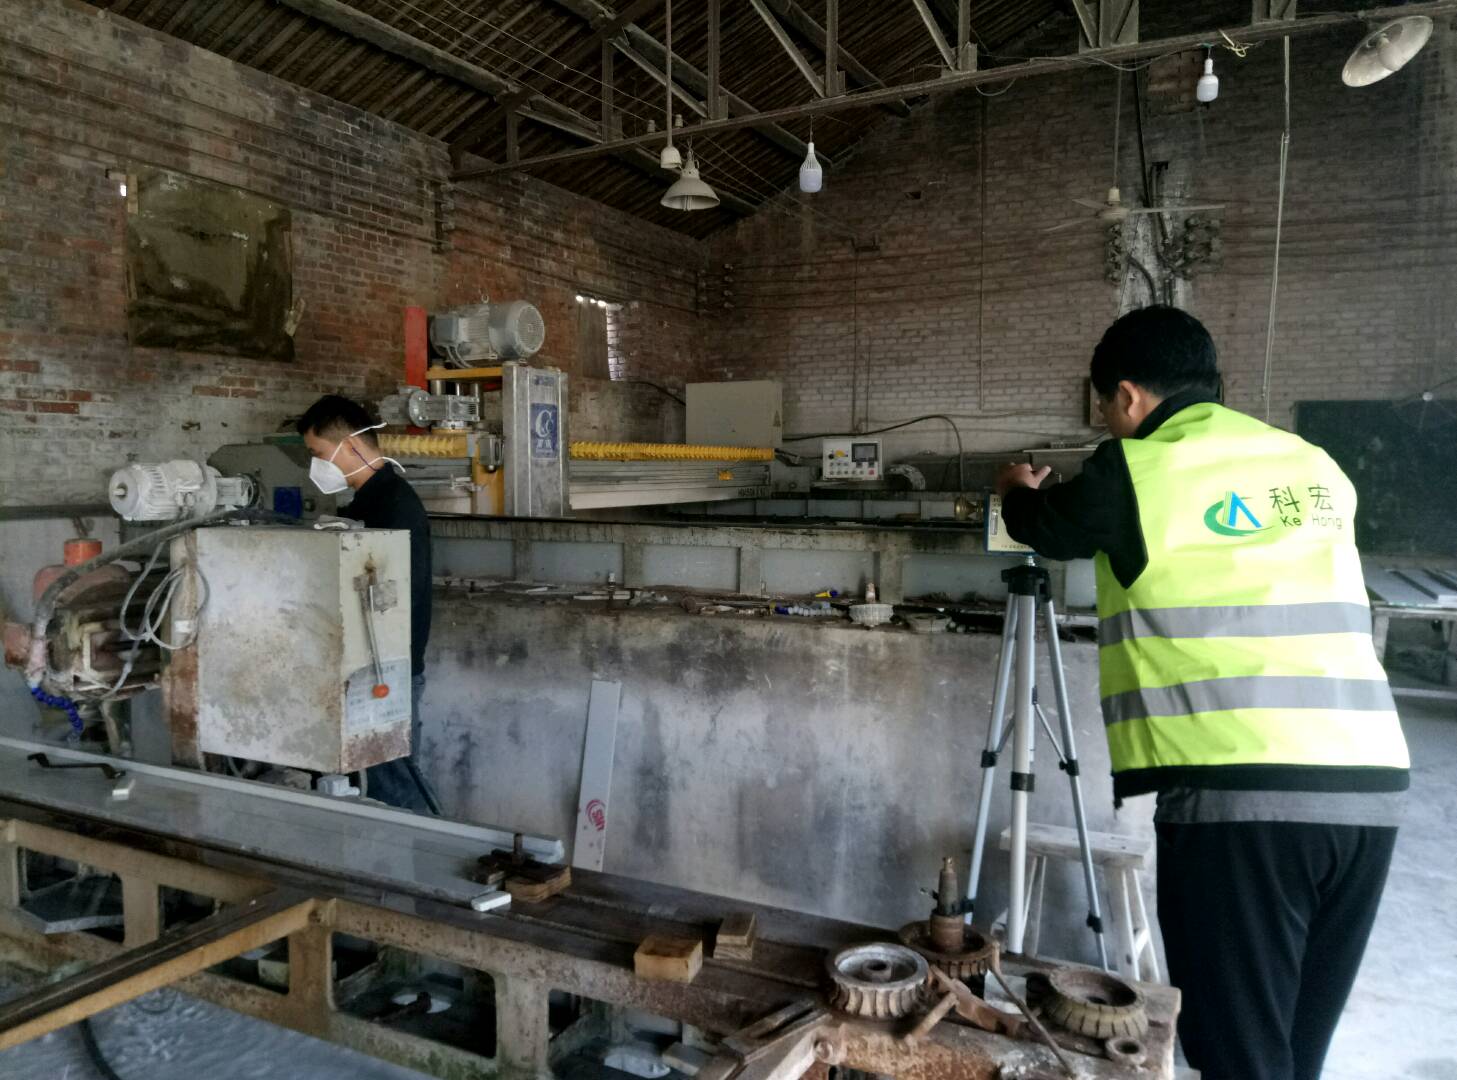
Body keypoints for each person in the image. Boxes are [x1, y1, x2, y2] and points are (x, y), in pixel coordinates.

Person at [995, 306, 1409, 1080]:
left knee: (1236, 1054)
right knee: (1291, 1050)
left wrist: (1015, 488)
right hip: (1368, 787)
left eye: (1105, 408)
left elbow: (1047, 528)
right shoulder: (1314, 464)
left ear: (1125, 396)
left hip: (1240, 795)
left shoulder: (1137, 469)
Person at [296, 394, 439, 815]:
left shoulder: (392, 505)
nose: (316, 465)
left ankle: (435, 847)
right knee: (377, 781)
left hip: (386, 668)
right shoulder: (370, 500)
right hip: (375, 666)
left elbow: (386, 597)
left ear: (352, 445)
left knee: (394, 785)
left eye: (318, 453)